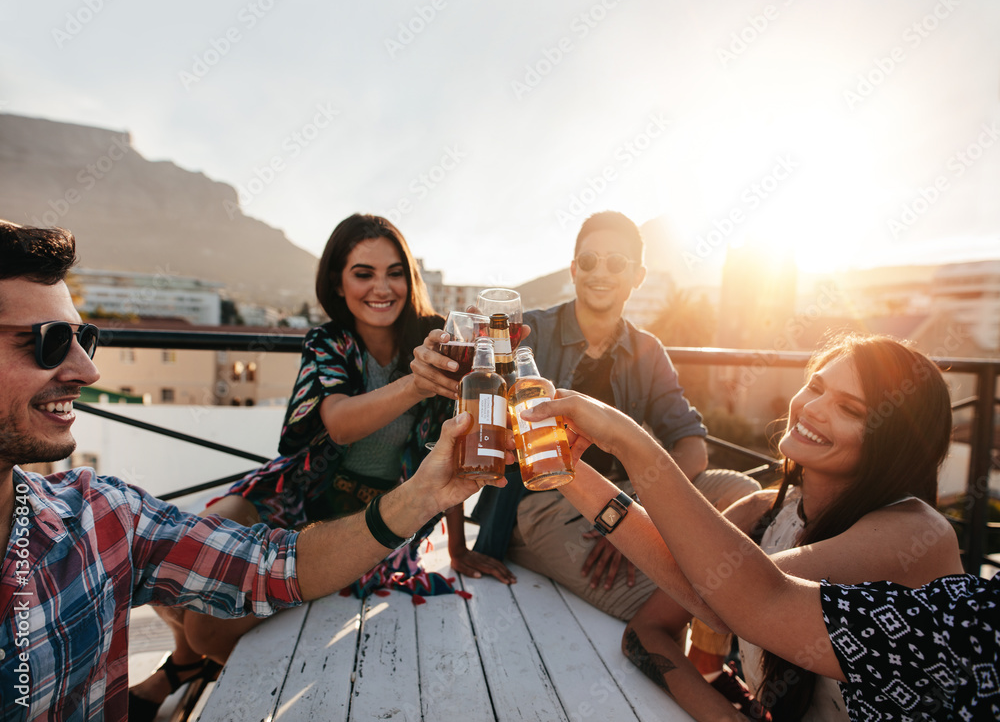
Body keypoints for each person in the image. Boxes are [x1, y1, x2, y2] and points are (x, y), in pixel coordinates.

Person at [0, 219, 512, 721]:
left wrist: (458, 546)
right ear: (338, 281)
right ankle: (184, 667)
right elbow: (336, 424)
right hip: (291, 494)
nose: (382, 287)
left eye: (395, 271)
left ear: (411, 278)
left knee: (204, 624)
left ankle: (179, 670)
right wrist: (415, 384)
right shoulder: (328, 344)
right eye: (363, 272)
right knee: (183, 550)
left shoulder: (436, 343)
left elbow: (452, 445)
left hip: (375, 511)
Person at [528, 333, 966, 721]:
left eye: (849, 408)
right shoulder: (762, 511)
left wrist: (627, 440)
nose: (812, 409)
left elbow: (730, 602)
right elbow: (649, 629)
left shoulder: (915, 533)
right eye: (815, 386)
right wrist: (559, 463)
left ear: (893, 443)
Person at [413, 210, 760, 619]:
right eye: (591, 261)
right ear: (574, 270)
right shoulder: (524, 334)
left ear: (638, 276)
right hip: (539, 499)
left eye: (616, 262)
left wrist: (631, 512)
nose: (601, 272)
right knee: (657, 590)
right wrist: (456, 546)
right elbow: (462, 414)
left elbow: (692, 446)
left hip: (624, 491)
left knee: (745, 495)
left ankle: (721, 648)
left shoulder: (649, 351)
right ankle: (690, 635)